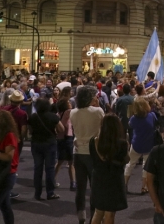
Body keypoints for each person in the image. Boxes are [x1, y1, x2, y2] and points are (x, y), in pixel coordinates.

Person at [70, 86, 104, 224]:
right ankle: (94, 217)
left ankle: (81, 216)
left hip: (78, 152)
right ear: (90, 98)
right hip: (93, 152)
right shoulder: (98, 111)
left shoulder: (73, 112)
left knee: (81, 187)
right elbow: (103, 126)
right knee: (95, 187)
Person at [89, 114, 129, 224]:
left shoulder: (94, 142)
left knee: (98, 212)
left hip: (98, 179)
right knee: (110, 213)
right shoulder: (121, 144)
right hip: (114, 180)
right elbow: (126, 160)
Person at [28, 98, 63, 201]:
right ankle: (50, 192)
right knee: (49, 168)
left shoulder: (33, 117)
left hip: (36, 143)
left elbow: (30, 131)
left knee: (37, 168)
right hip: (50, 143)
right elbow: (61, 129)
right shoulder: (53, 116)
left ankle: (37, 193)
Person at [124, 98, 157, 194]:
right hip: (149, 143)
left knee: (130, 164)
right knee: (146, 166)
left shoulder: (133, 119)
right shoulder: (152, 116)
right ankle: (144, 187)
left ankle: (125, 184)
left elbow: (130, 125)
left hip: (136, 143)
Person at [55, 97, 76, 191]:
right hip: (68, 138)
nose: (70, 103)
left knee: (60, 161)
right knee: (71, 162)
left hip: (60, 138)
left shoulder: (57, 114)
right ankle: (73, 182)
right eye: (68, 102)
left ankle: (52, 179)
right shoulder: (68, 112)